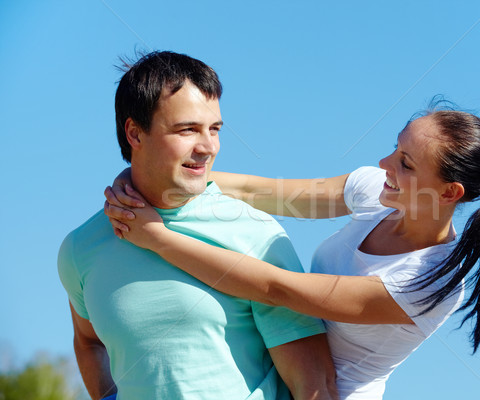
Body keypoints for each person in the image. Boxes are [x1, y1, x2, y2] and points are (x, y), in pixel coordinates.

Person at [105, 106, 480, 400]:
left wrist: (158, 238)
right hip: (277, 375)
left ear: (449, 193)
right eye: (395, 148)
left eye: (406, 163)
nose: (386, 164)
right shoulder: (376, 190)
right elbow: (259, 192)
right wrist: (152, 177)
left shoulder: (431, 281)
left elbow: (278, 288)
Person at [58, 51, 338, 400]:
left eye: (215, 129)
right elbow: (88, 341)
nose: (207, 147)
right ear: (134, 132)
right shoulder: (82, 248)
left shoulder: (256, 234)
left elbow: (315, 385)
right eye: (187, 129)